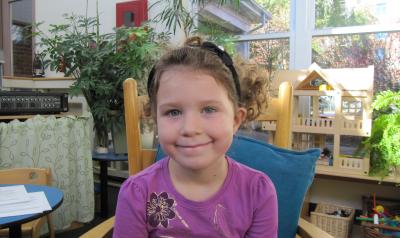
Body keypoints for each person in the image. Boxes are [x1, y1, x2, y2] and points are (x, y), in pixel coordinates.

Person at [113, 37, 278, 238]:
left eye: (209, 109)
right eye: (173, 112)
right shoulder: (137, 193)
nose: (190, 128)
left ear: (236, 120)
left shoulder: (258, 192)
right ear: (156, 120)